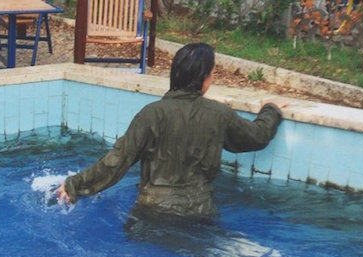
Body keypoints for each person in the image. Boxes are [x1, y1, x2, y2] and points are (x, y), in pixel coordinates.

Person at [56, 43, 288, 217]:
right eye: (212, 73)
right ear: (204, 79)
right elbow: (258, 136)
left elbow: (116, 161)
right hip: (199, 213)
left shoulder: (151, 114)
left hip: (152, 212)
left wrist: (74, 185)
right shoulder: (219, 115)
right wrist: (271, 110)